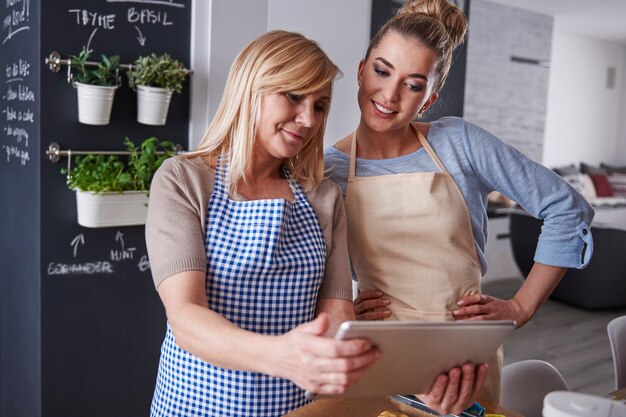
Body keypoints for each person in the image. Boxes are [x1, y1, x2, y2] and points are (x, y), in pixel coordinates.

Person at [324, 0, 595, 413]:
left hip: (464, 361)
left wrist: (520, 307)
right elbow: (310, 269)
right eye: (382, 71)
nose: (390, 94)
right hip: (377, 352)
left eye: (413, 84)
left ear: (429, 98)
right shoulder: (329, 171)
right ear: (362, 71)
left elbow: (567, 208)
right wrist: (343, 304)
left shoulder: (460, 144)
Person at [145, 30, 382, 417]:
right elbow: (185, 316)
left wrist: (353, 344)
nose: (308, 119)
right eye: (294, 96)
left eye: (320, 106)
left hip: (294, 408)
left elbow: (336, 314)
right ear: (250, 88)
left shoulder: (323, 198)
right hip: (194, 404)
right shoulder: (183, 180)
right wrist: (281, 357)